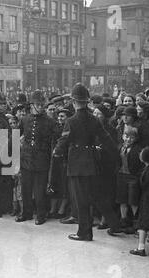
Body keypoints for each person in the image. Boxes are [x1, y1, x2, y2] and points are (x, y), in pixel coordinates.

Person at [53, 83, 123, 241]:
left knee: (81, 200)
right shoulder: (95, 120)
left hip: (77, 163)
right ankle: (115, 224)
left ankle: (84, 232)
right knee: (98, 196)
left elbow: (64, 140)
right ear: (87, 101)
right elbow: (107, 140)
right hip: (93, 161)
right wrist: (116, 156)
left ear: (73, 102)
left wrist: (57, 152)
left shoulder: (71, 120)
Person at [17, 90, 57, 225]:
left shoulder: (50, 121)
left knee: (40, 190)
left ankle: (41, 215)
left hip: (42, 159)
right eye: (38, 105)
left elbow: (56, 137)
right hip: (26, 159)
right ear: (32, 105)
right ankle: (26, 213)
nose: (40, 107)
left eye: (42, 105)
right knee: (26, 188)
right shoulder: (25, 119)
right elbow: (17, 135)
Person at [115, 126, 143, 229]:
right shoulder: (120, 147)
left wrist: (138, 176)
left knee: (133, 201)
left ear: (135, 139)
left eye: (131, 137)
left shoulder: (138, 149)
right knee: (122, 199)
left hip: (133, 177)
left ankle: (137, 224)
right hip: (121, 175)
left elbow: (141, 164)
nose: (128, 139)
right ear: (122, 136)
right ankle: (123, 220)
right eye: (126, 136)